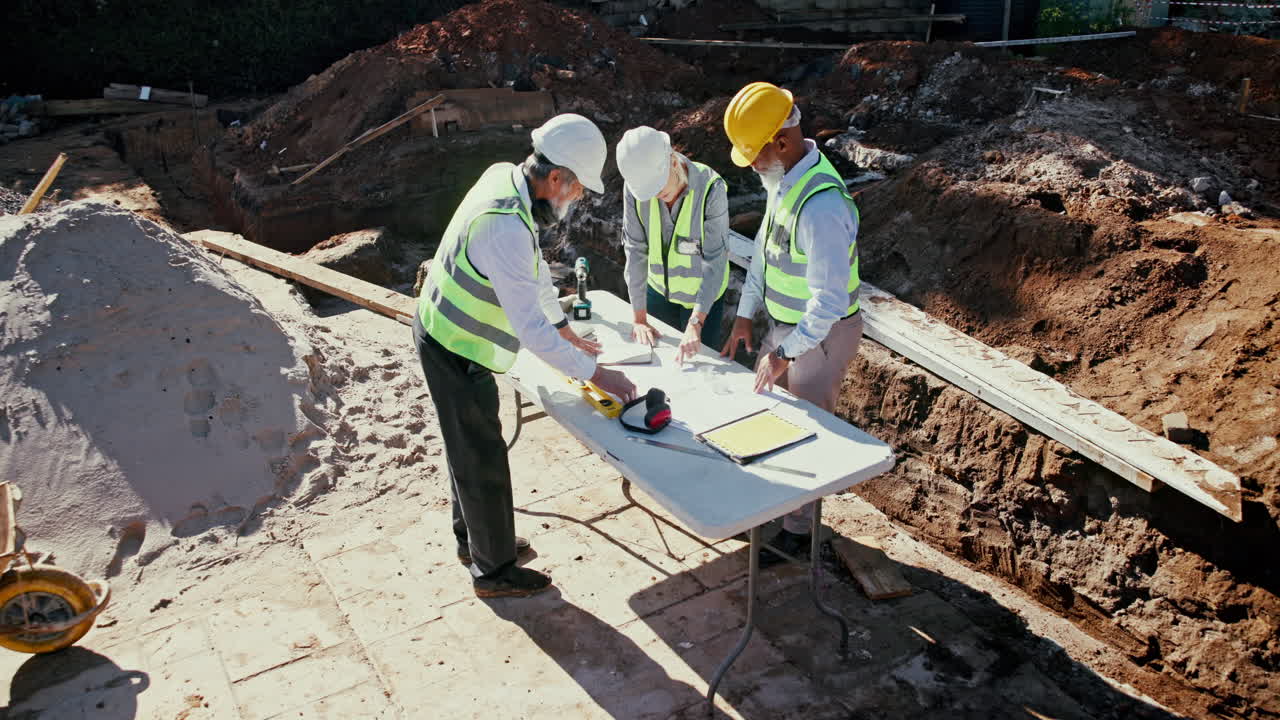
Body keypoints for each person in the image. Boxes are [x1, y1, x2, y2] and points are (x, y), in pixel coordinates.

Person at [414, 114, 637, 598]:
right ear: (555, 178)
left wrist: (565, 329)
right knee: (481, 454)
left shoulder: (507, 183)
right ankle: (494, 572)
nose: (578, 198)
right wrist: (599, 375)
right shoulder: (504, 226)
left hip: (446, 331)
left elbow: (533, 272)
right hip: (453, 343)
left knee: (467, 446)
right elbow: (529, 331)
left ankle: (474, 540)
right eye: (577, 189)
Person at [719, 82, 864, 567]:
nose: (753, 165)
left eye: (755, 154)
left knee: (806, 430)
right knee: (779, 422)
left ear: (781, 142)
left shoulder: (822, 205)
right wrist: (745, 313)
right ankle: (782, 511)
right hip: (788, 330)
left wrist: (786, 351)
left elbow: (828, 301)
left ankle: (799, 533)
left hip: (819, 338)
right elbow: (764, 250)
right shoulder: (784, 181)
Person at [616, 126, 730, 364]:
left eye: (659, 187)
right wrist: (639, 317)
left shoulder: (711, 188)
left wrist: (696, 322)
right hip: (657, 293)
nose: (656, 195)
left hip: (702, 301)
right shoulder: (636, 190)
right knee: (659, 364)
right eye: (650, 191)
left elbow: (715, 261)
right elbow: (635, 251)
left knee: (699, 370)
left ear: (673, 162)